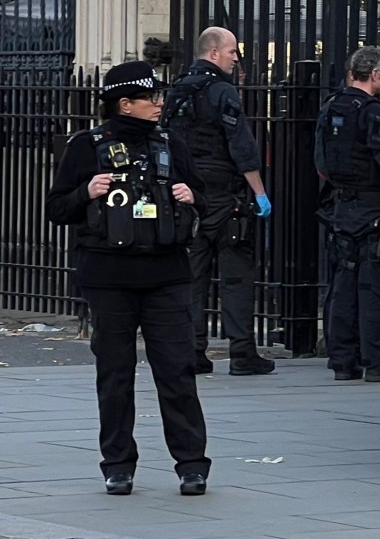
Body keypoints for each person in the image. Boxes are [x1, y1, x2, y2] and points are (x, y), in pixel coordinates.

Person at [46, 61, 211, 496]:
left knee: (177, 372)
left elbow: (206, 200)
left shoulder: (171, 143)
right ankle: (118, 465)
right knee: (116, 375)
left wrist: (192, 196)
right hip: (109, 277)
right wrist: (87, 192)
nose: (160, 104)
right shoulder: (87, 146)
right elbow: (56, 208)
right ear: (125, 103)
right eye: (151, 98)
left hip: (166, 274)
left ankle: (191, 465)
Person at [164, 27, 275, 376]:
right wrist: (259, 192)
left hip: (186, 193)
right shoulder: (223, 91)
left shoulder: (176, 91)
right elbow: (241, 145)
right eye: (232, 51)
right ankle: (242, 352)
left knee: (192, 274)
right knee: (236, 273)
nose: (236, 57)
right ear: (213, 53)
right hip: (223, 194)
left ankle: (194, 351)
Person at [315, 46, 380, 382]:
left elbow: (321, 158)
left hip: (342, 206)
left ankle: (343, 360)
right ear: (374, 74)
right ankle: (375, 361)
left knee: (343, 282)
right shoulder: (370, 111)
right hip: (373, 207)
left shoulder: (332, 106)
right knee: (372, 287)